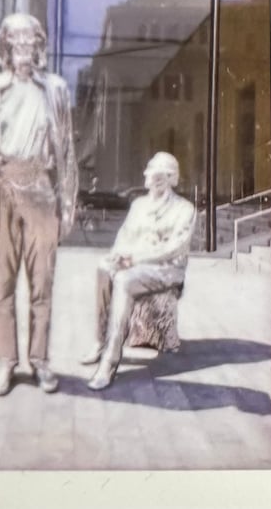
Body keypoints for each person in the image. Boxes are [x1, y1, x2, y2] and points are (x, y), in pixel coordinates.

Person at [0, 13, 78, 396]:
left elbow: (66, 148)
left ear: (39, 46)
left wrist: (68, 204)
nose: (23, 49)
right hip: (2, 186)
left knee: (42, 284)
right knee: (2, 285)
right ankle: (6, 363)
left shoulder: (56, 89)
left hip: (41, 188)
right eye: (15, 42)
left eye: (30, 42)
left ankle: (40, 361)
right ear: (5, 47)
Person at [82, 152, 196, 390]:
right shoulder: (139, 205)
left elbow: (173, 249)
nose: (151, 178)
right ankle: (100, 340)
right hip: (135, 263)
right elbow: (124, 236)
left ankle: (109, 362)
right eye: (150, 173)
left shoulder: (184, 209)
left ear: (169, 178)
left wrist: (133, 259)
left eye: (158, 174)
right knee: (103, 267)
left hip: (166, 270)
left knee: (124, 280)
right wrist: (118, 255)